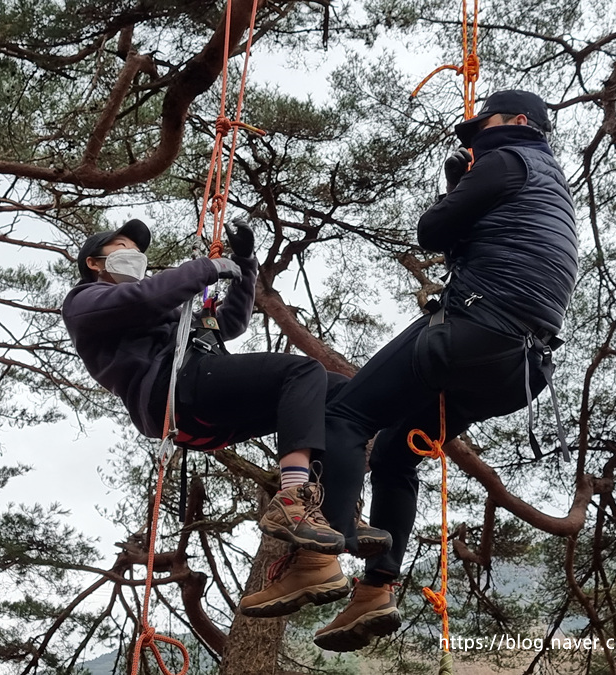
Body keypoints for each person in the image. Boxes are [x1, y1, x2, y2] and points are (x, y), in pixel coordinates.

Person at [242, 90, 579, 651]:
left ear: (519, 123)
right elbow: (473, 246)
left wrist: (458, 190)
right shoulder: (552, 189)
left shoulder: (510, 157)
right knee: (397, 456)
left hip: (476, 329)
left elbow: (433, 231)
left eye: (483, 127)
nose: (473, 140)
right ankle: (376, 589)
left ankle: (320, 558)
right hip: (520, 366)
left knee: (345, 414)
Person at [62, 218, 390, 609]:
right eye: (121, 246)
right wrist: (206, 268)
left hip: (206, 397)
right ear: (94, 263)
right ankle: (292, 498)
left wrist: (244, 263)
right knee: (302, 371)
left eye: (138, 250)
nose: (133, 255)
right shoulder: (85, 302)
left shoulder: (172, 312)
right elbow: (143, 299)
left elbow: (229, 323)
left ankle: (333, 524)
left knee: (338, 392)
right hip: (173, 391)